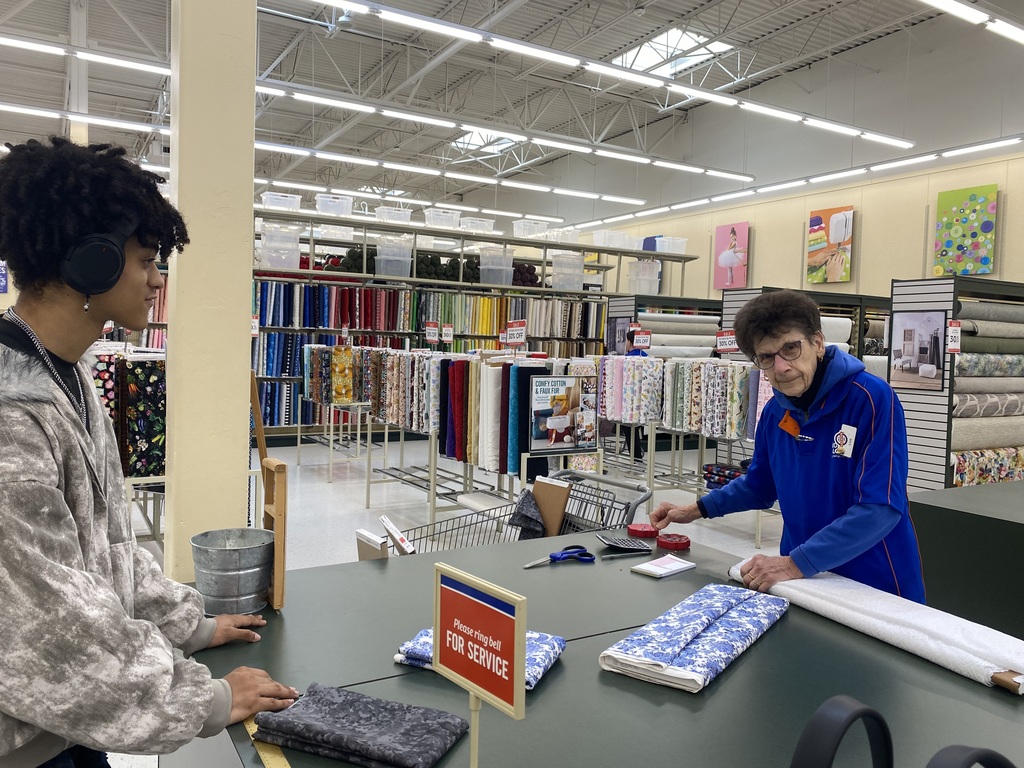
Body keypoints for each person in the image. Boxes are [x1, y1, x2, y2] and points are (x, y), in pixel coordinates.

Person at [0, 137, 297, 768]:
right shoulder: (11, 415)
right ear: (93, 263)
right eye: (146, 259)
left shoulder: (66, 374)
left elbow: (104, 544)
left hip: (66, 726)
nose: (157, 279)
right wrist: (207, 700)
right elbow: (46, 624)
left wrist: (184, 623)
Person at [650, 290, 925, 603]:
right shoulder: (774, 413)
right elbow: (760, 485)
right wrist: (697, 509)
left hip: (875, 585)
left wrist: (795, 563)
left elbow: (880, 508)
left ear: (818, 343)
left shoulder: (871, 400)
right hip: (805, 582)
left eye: (791, 348)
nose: (781, 367)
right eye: (766, 357)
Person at [621, 329, 648, 462]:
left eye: (626, 340)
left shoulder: (626, 359)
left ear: (630, 342)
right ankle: (637, 455)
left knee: (628, 429)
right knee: (636, 428)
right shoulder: (647, 357)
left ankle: (635, 457)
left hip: (628, 402)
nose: (625, 343)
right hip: (644, 401)